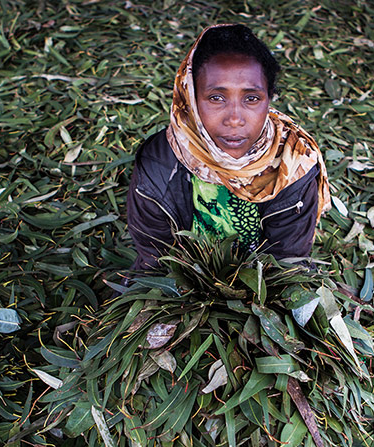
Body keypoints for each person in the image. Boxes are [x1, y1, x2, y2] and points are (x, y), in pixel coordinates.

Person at [127, 24, 331, 270]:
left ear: (269, 100)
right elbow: (156, 260)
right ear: (190, 98)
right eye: (216, 98)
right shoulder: (157, 164)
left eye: (251, 98)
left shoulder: (292, 164)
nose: (234, 119)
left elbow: (286, 263)